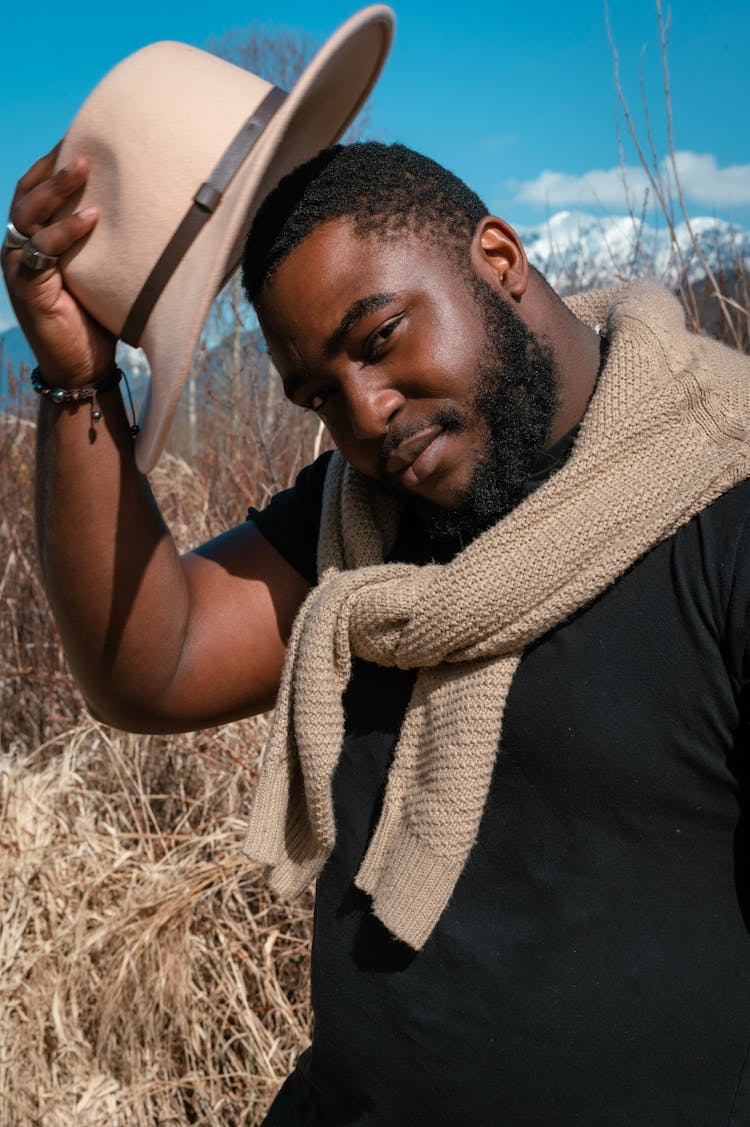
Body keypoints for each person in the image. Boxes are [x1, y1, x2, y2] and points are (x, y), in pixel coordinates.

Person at [4, 139, 750, 1127]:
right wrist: (76, 381)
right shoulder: (361, 518)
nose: (367, 413)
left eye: (382, 336)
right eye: (319, 395)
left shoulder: (721, 511)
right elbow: (152, 664)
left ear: (499, 257)